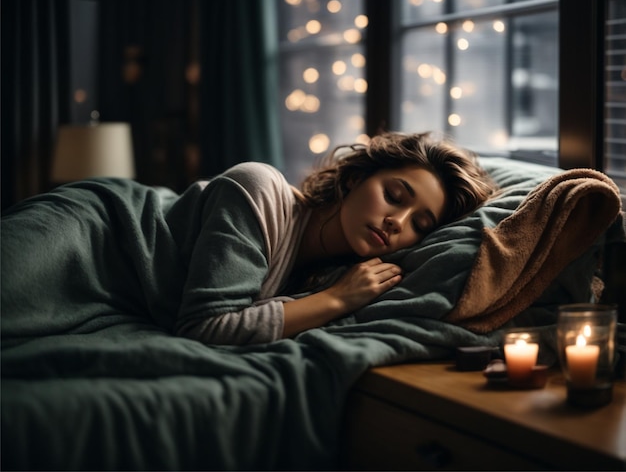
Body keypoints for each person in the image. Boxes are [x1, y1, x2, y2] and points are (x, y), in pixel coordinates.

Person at [1, 131, 497, 346]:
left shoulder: (326, 272)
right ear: (353, 179)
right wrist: (336, 300)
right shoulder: (258, 188)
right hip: (88, 235)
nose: (397, 222)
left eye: (419, 224)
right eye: (394, 194)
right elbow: (205, 327)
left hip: (115, 296)